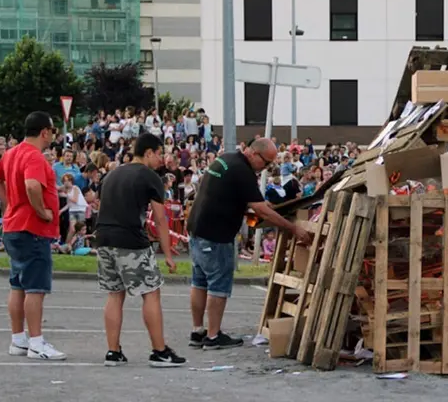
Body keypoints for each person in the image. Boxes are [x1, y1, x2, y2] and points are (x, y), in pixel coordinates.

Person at [186, 138, 312, 350]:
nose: (267, 168)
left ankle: (198, 331)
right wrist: (292, 228)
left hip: (198, 230)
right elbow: (261, 210)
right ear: (254, 154)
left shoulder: (226, 160)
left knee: (199, 283)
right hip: (217, 234)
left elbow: (231, 196)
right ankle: (214, 336)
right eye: (267, 162)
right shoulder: (242, 171)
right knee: (218, 285)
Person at [95, 133, 186, 367]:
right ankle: (159, 351)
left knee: (115, 294)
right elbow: (160, 218)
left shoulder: (112, 174)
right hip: (130, 240)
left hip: (104, 238)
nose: (161, 159)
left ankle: (113, 352)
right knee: (151, 292)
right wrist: (167, 253)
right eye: (158, 154)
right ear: (148, 153)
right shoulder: (150, 177)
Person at [0, 111, 66, 360]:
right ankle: (36, 342)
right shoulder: (34, 156)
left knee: (18, 284)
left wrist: (11, 203)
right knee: (35, 287)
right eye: (52, 131)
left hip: (13, 226)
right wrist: (41, 210)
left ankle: (18, 339)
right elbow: (32, 185)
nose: (53, 136)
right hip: (32, 228)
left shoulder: (12, 153)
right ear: (45, 131)